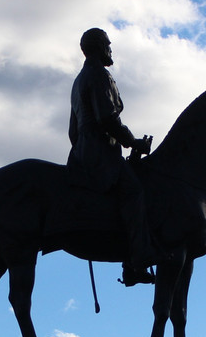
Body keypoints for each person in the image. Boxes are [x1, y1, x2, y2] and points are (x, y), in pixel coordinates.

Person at [68, 28, 159, 286]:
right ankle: (138, 263)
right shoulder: (99, 75)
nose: (111, 50)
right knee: (134, 191)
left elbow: (72, 130)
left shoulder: (79, 79)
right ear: (98, 47)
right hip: (100, 151)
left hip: (83, 150)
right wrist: (135, 143)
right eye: (108, 45)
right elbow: (108, 118)